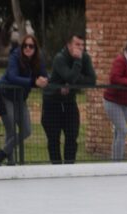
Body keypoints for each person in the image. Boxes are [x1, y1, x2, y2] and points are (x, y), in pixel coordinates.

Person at [0, 35, 48, 165]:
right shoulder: (15, 56)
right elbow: (12, 77)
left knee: (26, 130)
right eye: (25, 45)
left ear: (35, 48)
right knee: (10, 129)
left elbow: (44, 75)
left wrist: (44, 80)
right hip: (6, 95)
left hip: (21, 98)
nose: (28, 48)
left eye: (31, 46)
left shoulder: (38, 59)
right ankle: (11, 162)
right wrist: (33, 82)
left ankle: (1, 153)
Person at [43, 34, 95, 164]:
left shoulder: (85, 57)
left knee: (72, 138)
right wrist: (77, 62)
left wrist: (71, 85)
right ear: (69, 45)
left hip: (69, 102)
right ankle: (57, 169)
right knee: (53, 139)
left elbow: (92, 80)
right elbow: (69, 77)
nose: (80, 48)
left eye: (82, 45)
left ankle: (69, 168)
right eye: (77, 44)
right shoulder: (60, 58)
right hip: (52, 103)